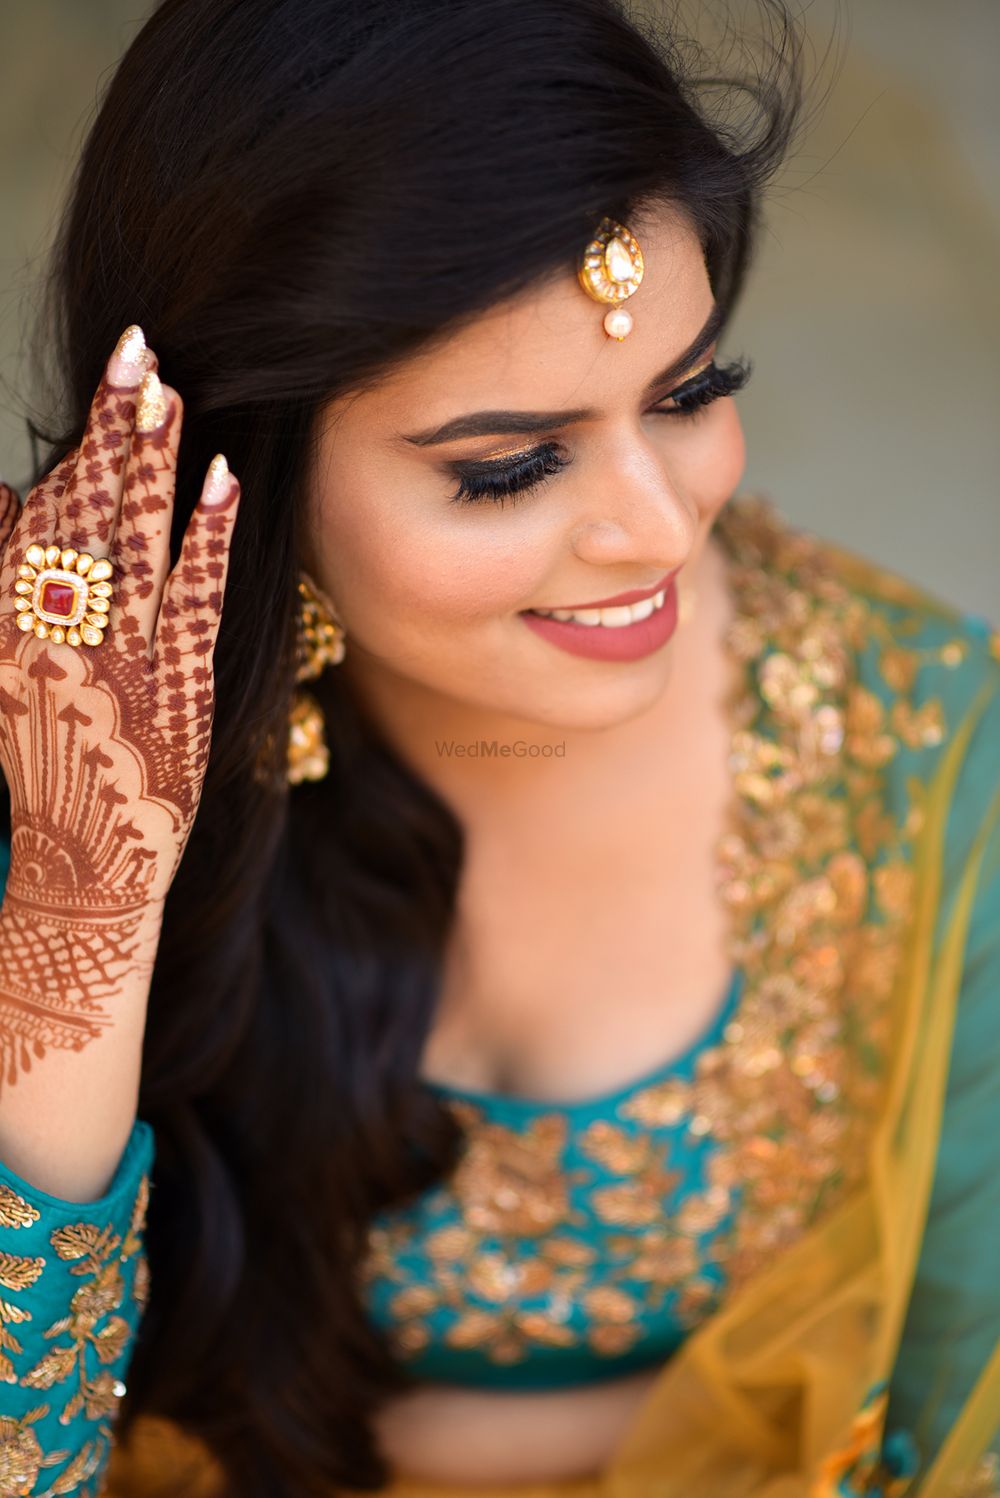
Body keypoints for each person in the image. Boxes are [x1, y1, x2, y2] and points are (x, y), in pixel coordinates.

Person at [0, 0, 997, 1494]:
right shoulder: (67, 731)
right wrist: (88, 914)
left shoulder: (940, 769)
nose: (658, 529)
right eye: (511, 466)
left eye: (691, 393)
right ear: (239, 466)